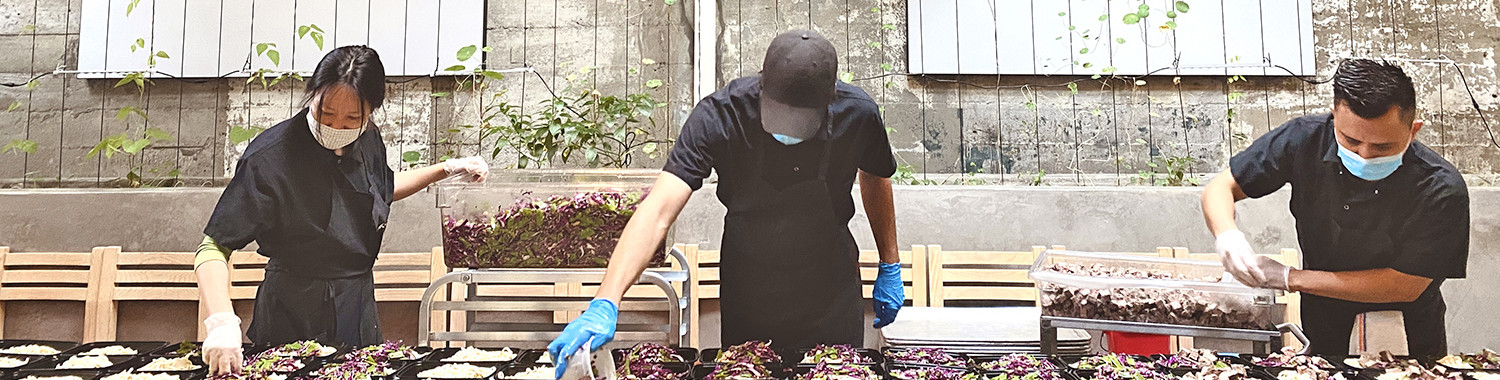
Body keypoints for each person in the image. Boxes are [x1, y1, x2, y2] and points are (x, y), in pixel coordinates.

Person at [545, 30, 904, 377]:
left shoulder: (859, 114)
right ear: (761, 84)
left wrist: (890, 263)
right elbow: (657, 211)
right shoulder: (720, 115)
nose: (789, 131)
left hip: (829, 287)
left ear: (831, 97)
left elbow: (874, 175)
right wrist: (606, 300)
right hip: (751, 286)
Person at [193, 46, 491, 375]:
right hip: (293, 307)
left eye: (352, 118)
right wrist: (221, 323)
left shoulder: (368, 141)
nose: (337, 125)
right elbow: (214, 246)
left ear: (371, 112)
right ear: (313, 96)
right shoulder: (270, 157)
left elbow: (381, 190)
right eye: (326, 112)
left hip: (356, 305)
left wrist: (445, 169)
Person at [1201, 59, 1469, 357]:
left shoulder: (1440, 187)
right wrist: (1227, 235)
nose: (1364, 155)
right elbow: (1220, 188)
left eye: (1383, 147)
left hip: (1408, 331)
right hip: (1324, 322)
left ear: (1413, 130)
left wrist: (1291, 278)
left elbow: (1404, 285)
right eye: (1351, 140)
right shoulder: (1304, 139)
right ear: (1334, 118)